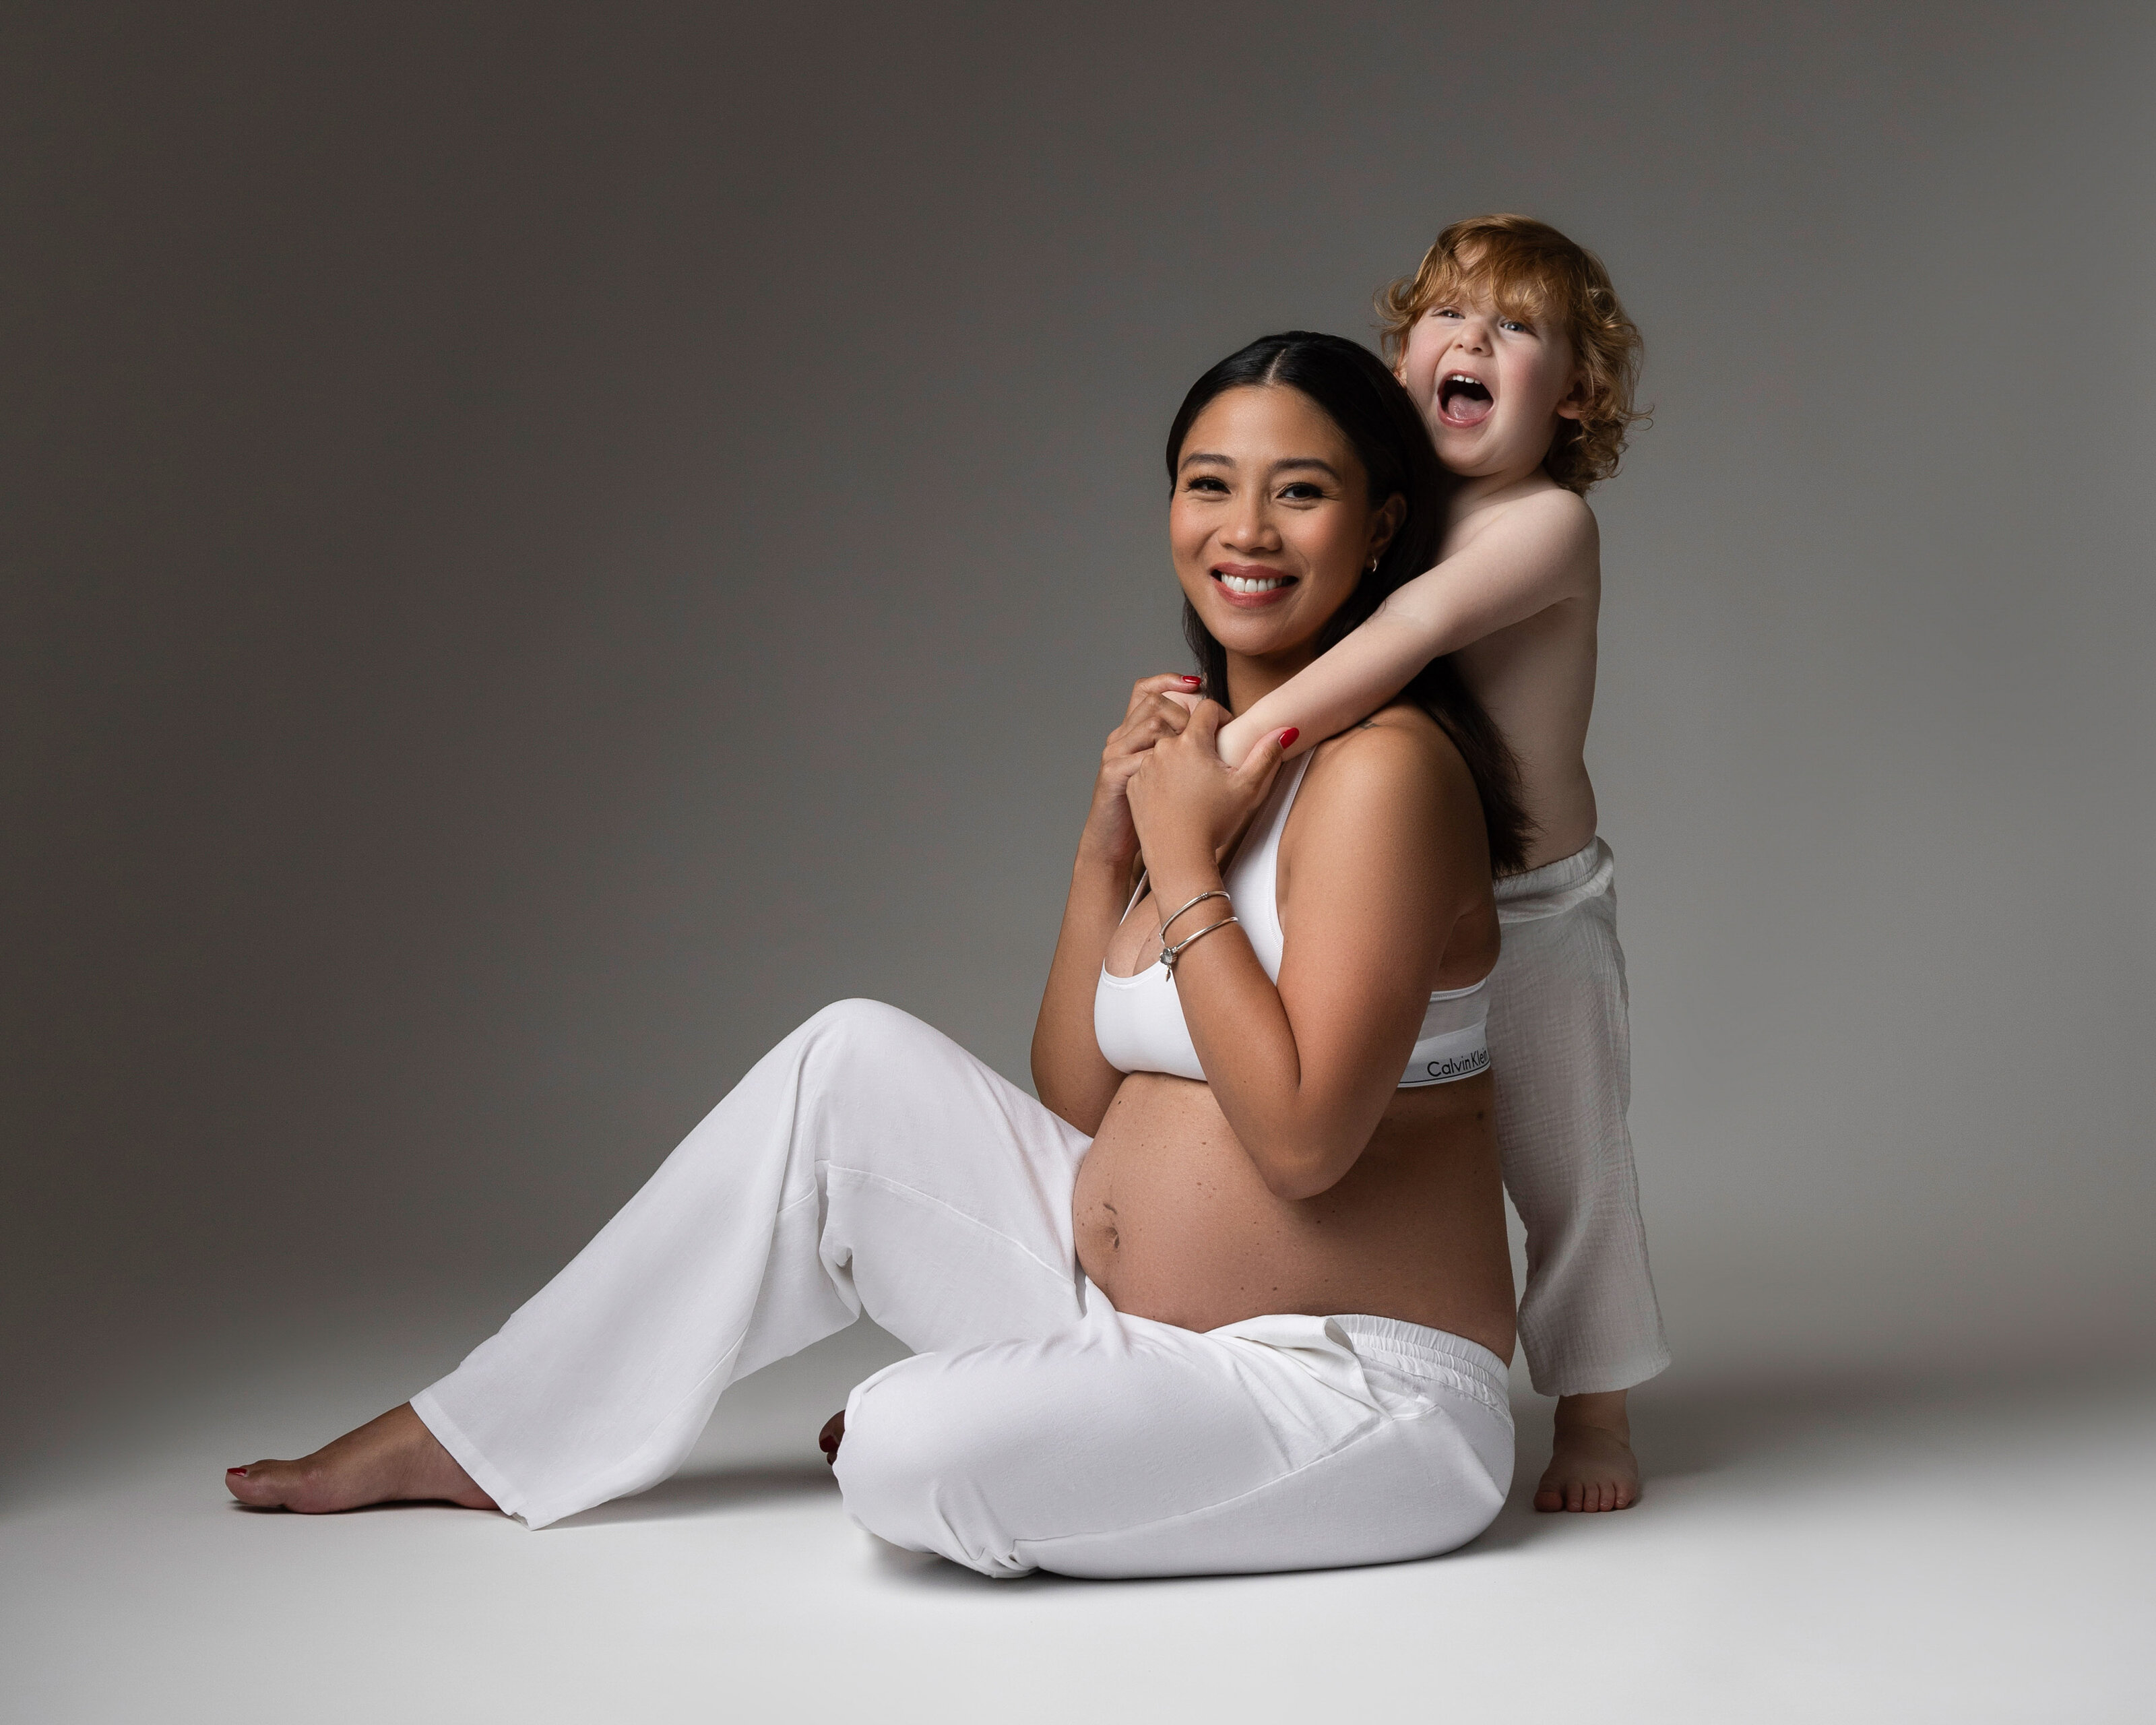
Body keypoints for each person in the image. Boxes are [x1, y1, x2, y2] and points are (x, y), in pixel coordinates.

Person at [226, 332, 1533, 1580]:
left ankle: (1007, 1417)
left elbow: (1303, 1144)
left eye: (1299, 491)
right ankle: (484, 1432)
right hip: (1131, 1319)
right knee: (845, 1058)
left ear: (1379, 526)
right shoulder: (1209, 758)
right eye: (1209, 485)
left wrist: (1182, 857)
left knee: (903, 1447)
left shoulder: (1386, 773)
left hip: (1351, 1391)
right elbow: (1084, 1100)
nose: (1245, 530)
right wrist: (1107, 849)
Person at [1215, 217, 1670, 1513]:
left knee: (1571, 1163)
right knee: (1349, 1118)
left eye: (1516, 328)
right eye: (1448, 318)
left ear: (1573, 393)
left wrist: (1235, 753)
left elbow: (1406, 635)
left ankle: (1597, 1409)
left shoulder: (1545, 525)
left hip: (1536, 907)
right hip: (1401, 897)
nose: (1473, 339)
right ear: (1403, 357)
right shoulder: (1390, 515)